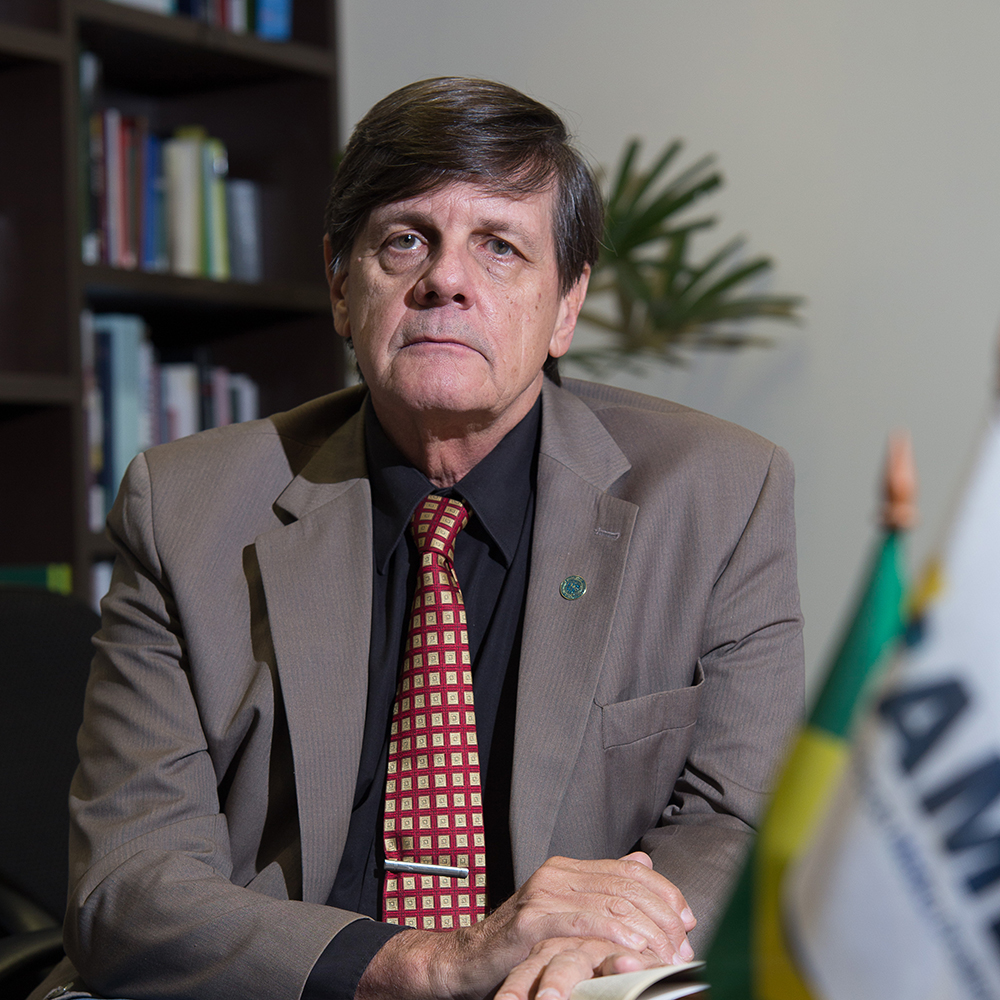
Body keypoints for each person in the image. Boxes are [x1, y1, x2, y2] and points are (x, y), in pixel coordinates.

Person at [36, 78, 803, 1000]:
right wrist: (428, 964)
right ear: (341, 287)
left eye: (500, 246)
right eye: (406, 239)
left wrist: (594, 954)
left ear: (567, 306)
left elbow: (739, 822)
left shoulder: (720, 496)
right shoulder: (185, 510)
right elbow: (128, 886)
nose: (445, 279)